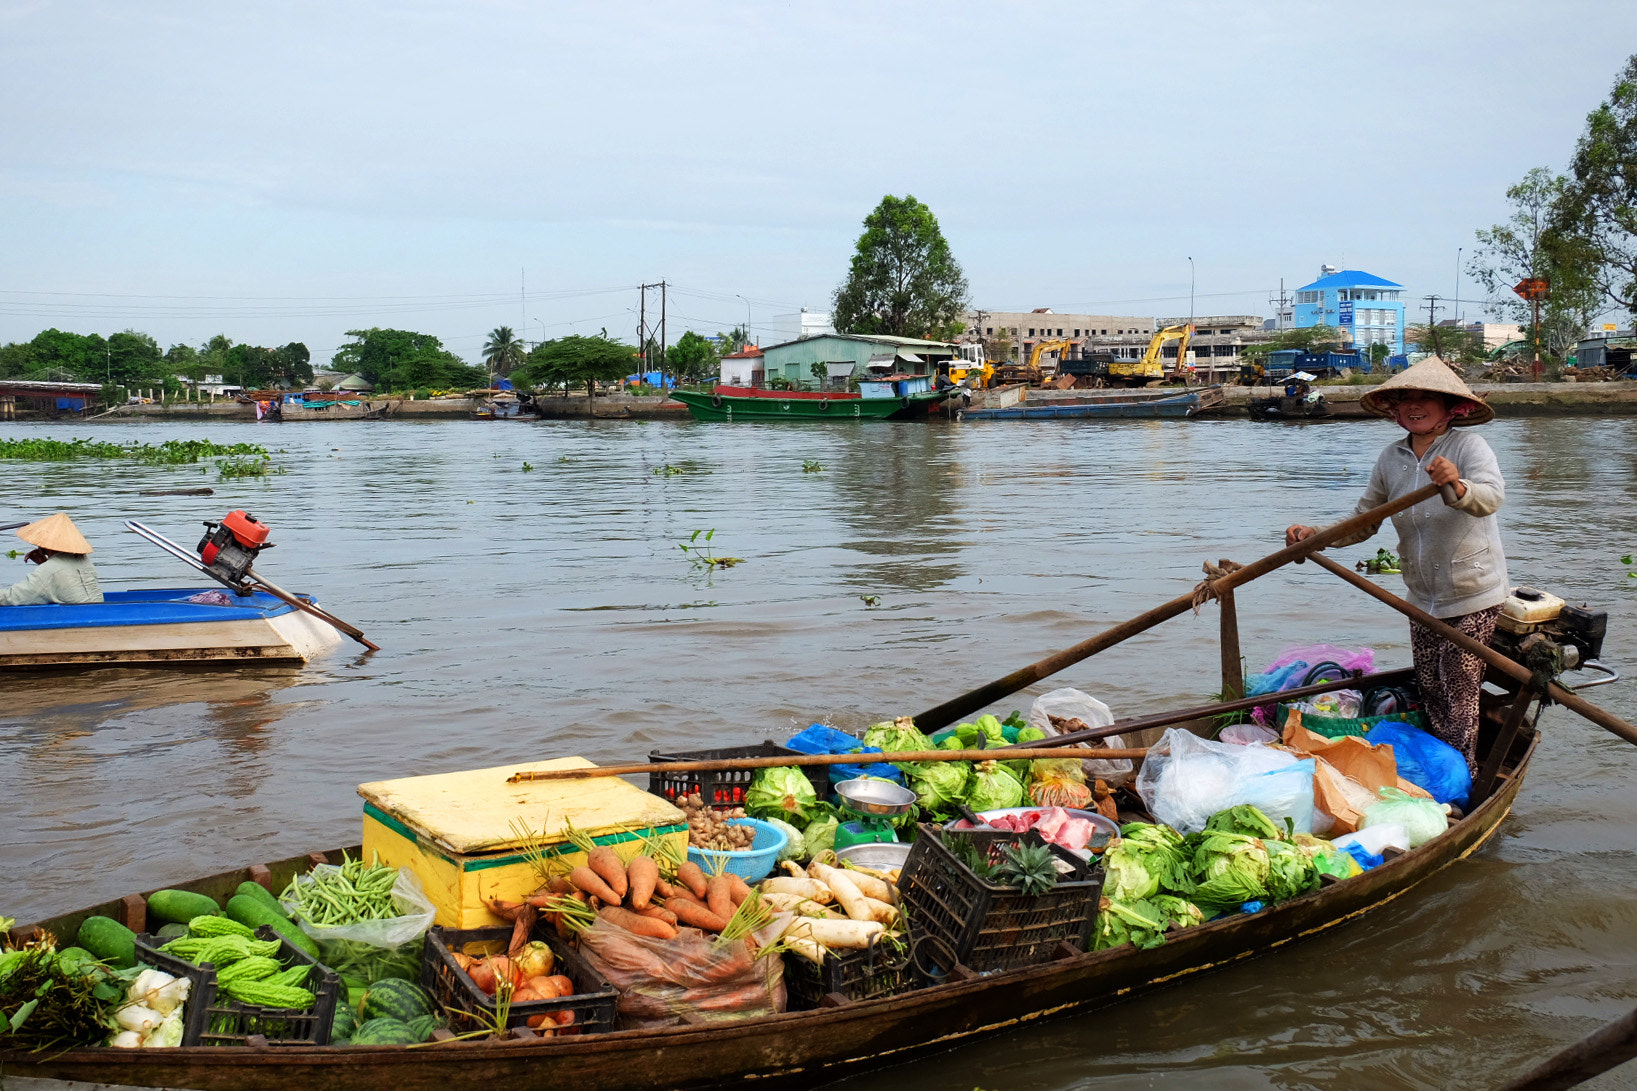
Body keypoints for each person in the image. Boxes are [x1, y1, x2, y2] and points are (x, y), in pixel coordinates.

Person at [1283, 358, 1507, 775]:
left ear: (1451, 408)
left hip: (1472, 590)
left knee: (1458, 692)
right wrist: (1315, 535)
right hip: (1421, 595)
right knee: (1431, 686)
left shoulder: (1468, 447)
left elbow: (1490, 499)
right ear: (1395, 409)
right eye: (1406, 399)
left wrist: (1456, 484)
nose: (1415, 406)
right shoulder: (1392, 457)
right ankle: (1441, 765)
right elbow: (1364, 522)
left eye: (1426, 398)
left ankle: (1463, 779)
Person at [0, 512, 104, 606]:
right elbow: (61, 578)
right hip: (98, 610)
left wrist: (45, 566)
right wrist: (44, 563)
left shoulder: (48, 570)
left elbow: (11, 598)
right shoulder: (83, 561)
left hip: (78, 616)